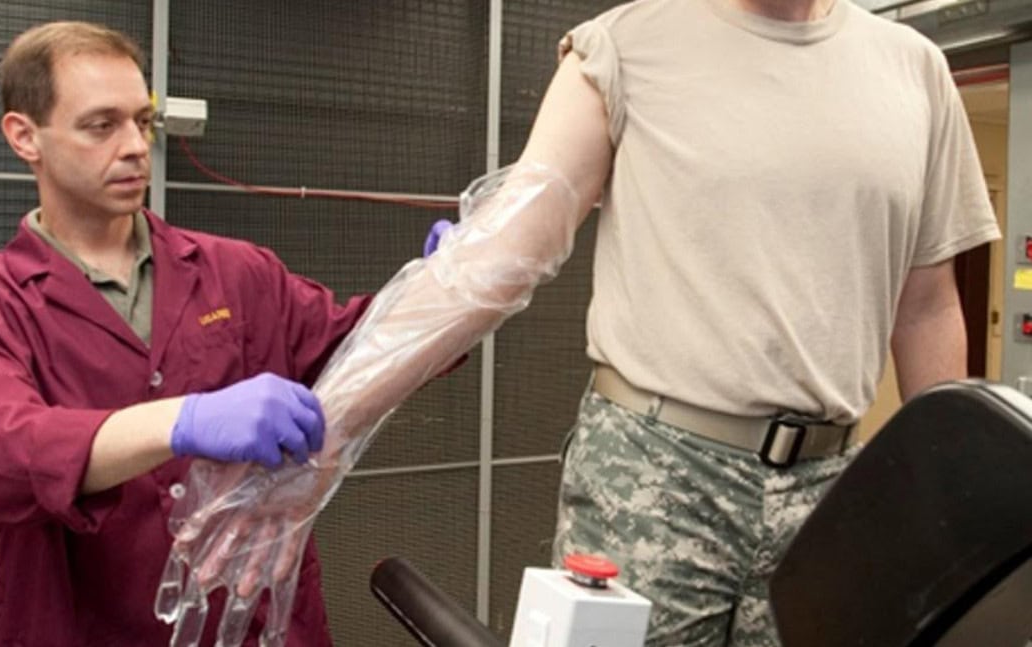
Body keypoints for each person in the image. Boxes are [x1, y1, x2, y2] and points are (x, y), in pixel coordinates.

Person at [311, 0, 998, 644]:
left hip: (829, 489)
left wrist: (949, 505)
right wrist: (330, 427)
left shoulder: (913, 68)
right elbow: (491, 261)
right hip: (656, 477)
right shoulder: (625, 47)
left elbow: (927, 304)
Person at [0, 21, 381, 646]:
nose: (135, 145)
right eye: (101, 125)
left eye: (143, 121)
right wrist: (183, 420)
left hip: (249, 624)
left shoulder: (237, 272)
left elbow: (365, 342)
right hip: (82, 625)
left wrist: (449, 280)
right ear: (25, 136)